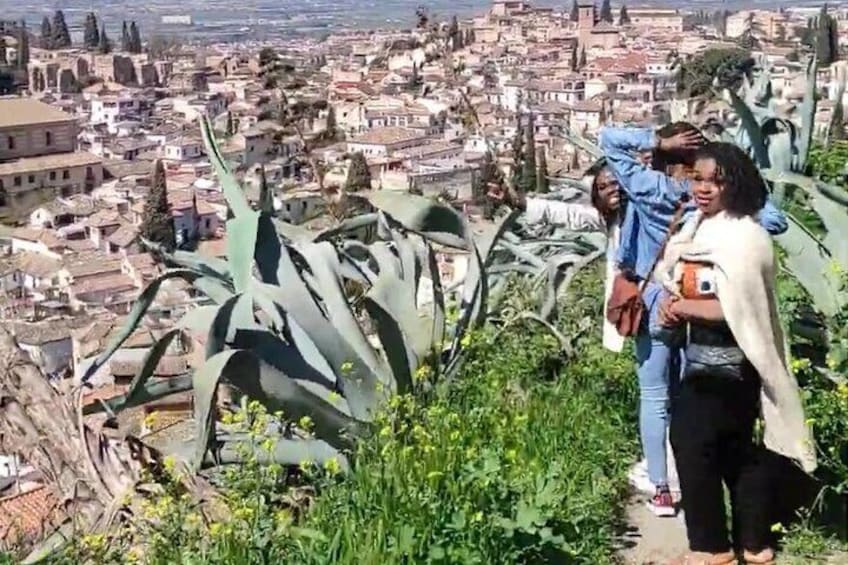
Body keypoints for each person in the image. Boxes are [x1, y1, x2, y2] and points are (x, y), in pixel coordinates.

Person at [598, 123, 788, 517]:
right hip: (699, 305)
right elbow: (776, 221)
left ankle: (662, 491)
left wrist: (657, 140)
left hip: (654, 303)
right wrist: (736, 192)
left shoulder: (649, 187)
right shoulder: (712, 199)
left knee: (654, 395)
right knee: (693, 396)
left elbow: (608, 140)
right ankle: (701, 478)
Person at [654, 142, 816, 565]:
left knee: (694, 447)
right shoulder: (698, 231)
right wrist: (674, 306)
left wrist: (684, 307)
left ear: (735, 184)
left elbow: (738, 307)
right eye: (698, 179)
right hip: (703, 362)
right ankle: (754, 544)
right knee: (736, 451)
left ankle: (714, 547)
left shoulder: (744, 237)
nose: (703, 189)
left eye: (715, 181)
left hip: (732, 366)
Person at [489, 163, 627, 351]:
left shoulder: (645, 215)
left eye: (614, 183)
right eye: (602, 187)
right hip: (628, 308)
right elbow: (565, 213)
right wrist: (515, 200)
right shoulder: (608, 220)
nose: (611, 190)